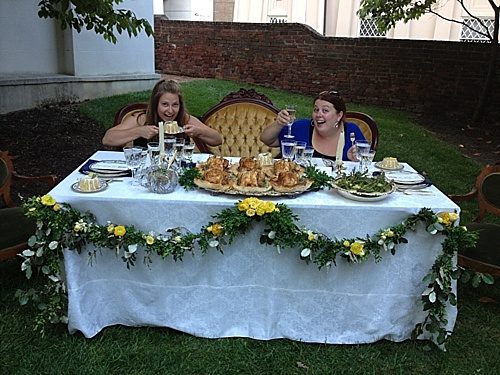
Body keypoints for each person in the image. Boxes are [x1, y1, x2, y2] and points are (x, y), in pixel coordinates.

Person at [102, 79, 223, 148]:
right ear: (155, 104)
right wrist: (139, 131)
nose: (170, 111)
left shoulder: (184, 119)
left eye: (175, 105)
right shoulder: (141, 119)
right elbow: (108, 139)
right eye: (165, 104)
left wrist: (199, 131)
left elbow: (217, 139)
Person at [260, 90, 366, 161]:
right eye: (316, 110)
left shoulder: (352, 132)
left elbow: (366, 162)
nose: (318, 115)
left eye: (325, 110)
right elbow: (267, 139)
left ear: (339, 115)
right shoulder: (301, 128)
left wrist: (356, 159)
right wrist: (279, 123)